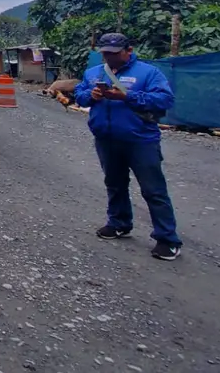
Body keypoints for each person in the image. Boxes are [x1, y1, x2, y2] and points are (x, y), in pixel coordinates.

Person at [74, 33, 182, 260]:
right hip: (106, 138)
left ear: (128, 51)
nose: (109, 58)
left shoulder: (148, 73)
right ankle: (119, 223)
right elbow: (79, 96)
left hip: (140, 140)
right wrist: (91, 95)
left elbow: (164, 99)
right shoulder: (94, 73)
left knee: (153, 190)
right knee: (114, 184)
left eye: (114, 53)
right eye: (105, 53)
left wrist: (128, 97)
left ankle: (167, 238)